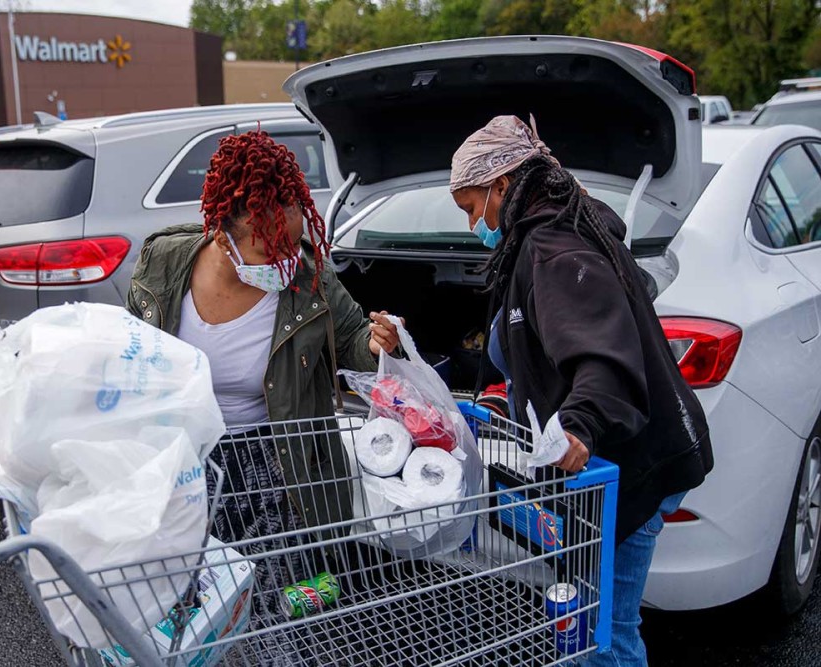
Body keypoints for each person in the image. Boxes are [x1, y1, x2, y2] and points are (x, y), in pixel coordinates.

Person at [450, 116, 713, 667]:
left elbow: (602, 356)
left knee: (604, 634)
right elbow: (541, 344)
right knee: (596, 622)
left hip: (633, 464)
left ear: (502, 184)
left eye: (473, 206)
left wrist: (578, 423)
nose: (474, 223)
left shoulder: (554, 248)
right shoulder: (556, 231)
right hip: (628, 458)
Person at [125, 129, 400, 619]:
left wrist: (377, 343)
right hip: (186, 461)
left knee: (277, 608)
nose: (284, 261)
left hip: (277, 462)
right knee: (191, 602)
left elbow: (354, 337)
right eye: (269, 248)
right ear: (222, 231)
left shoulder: (306, 279)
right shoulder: (164, 263)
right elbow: (129, 353)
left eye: (291, 243)